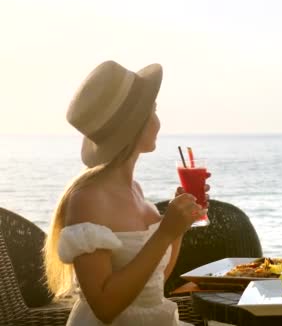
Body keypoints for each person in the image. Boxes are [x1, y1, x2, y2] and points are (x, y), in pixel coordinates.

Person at [43, 60, 209, 325]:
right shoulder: (88, 199)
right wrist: (165, 231)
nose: (158, 121)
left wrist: (178, 227)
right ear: (135, 125)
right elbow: (106, 307)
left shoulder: (136, 190)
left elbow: (152, 283)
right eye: (153, 111)